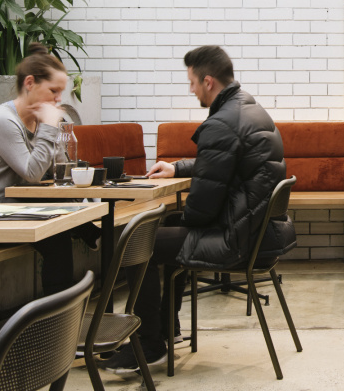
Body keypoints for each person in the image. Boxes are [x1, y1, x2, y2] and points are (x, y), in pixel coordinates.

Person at [99, 45, 289, 373]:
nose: (191, 90)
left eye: (192, 82)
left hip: (237, 241)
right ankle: (165, 328)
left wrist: (183, 222)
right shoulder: (247, 109)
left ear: (208, 81)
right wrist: (177, 168)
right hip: (259, 232)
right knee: (168, 225)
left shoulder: (222, 122)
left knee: (135, 242)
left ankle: (148, 344)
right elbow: (222, 161)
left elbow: (202, 208)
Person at [0, 43, 97, 295]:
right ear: (30, 83)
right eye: (54, 91)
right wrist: (49, 127)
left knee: (58, 222)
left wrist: (53, 128)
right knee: (55, 234)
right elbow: (32, 174)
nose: (58, 99)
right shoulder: (2, 120)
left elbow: (59, 172)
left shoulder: (37, 122)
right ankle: (58, 316)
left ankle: (90, 235)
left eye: (60, 92)